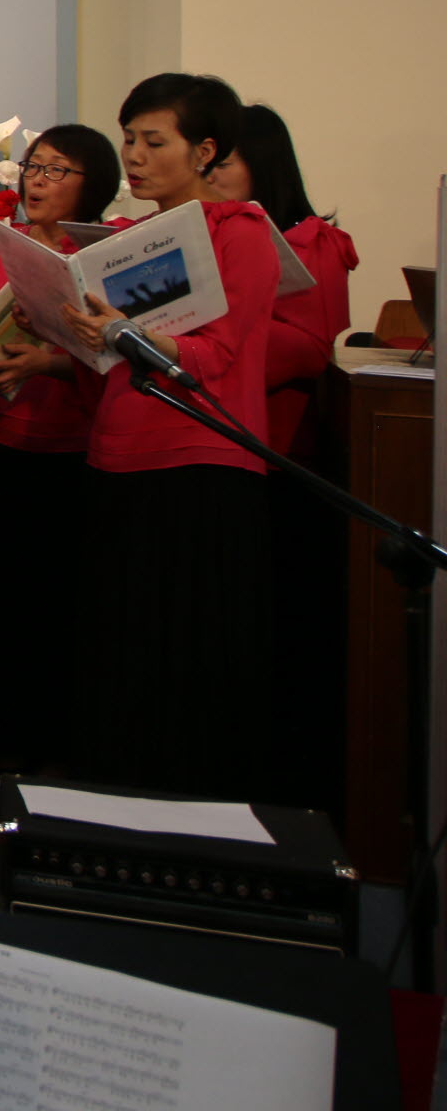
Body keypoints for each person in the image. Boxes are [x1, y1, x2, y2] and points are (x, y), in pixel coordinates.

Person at [58, 74, 281, 797]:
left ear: (204, 151)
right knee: (119, 642)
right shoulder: (124, 239)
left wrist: (125, 331)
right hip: (118, 450)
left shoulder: (240, 231)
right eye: (129, 139)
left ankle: (188, 807)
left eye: (154, 142)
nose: (135, 155)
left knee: (186, 648)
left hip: (201, 458)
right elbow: (105, 362)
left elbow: (216, 355)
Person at [211, 102, 356, 811]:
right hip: (205, 442)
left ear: (262, 165)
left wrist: (215, 323)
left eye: (224, 160)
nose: (210, 171)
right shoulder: (203, 234)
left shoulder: (311, 240)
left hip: (276, 455)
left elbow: (307, 348)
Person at [0, 123, 116, 774]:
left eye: (58, 170)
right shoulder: (4, 246)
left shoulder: (104, 252)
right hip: (0, 434)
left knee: (54, 602)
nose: (38, 181)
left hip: (71, 445)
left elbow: (114, 354)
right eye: (34, 166)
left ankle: (52, 742)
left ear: (93, 185)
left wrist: (48, 362)